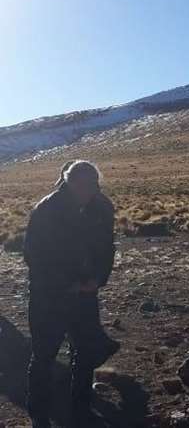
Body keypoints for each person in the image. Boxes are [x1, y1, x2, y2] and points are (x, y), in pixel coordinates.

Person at [24, 160, 120, 428]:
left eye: (91, 185)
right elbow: (34, 255)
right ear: (67, 181)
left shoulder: (101, 208)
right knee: (44, 354)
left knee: (86, 350)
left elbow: (106, 248)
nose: (85, 191)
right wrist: (67, 284)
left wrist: (97, 280)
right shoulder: (47, 209)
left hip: (84, 294)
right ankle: (39, 415)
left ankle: (81, 406)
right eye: (79, 185)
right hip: (49, 295)